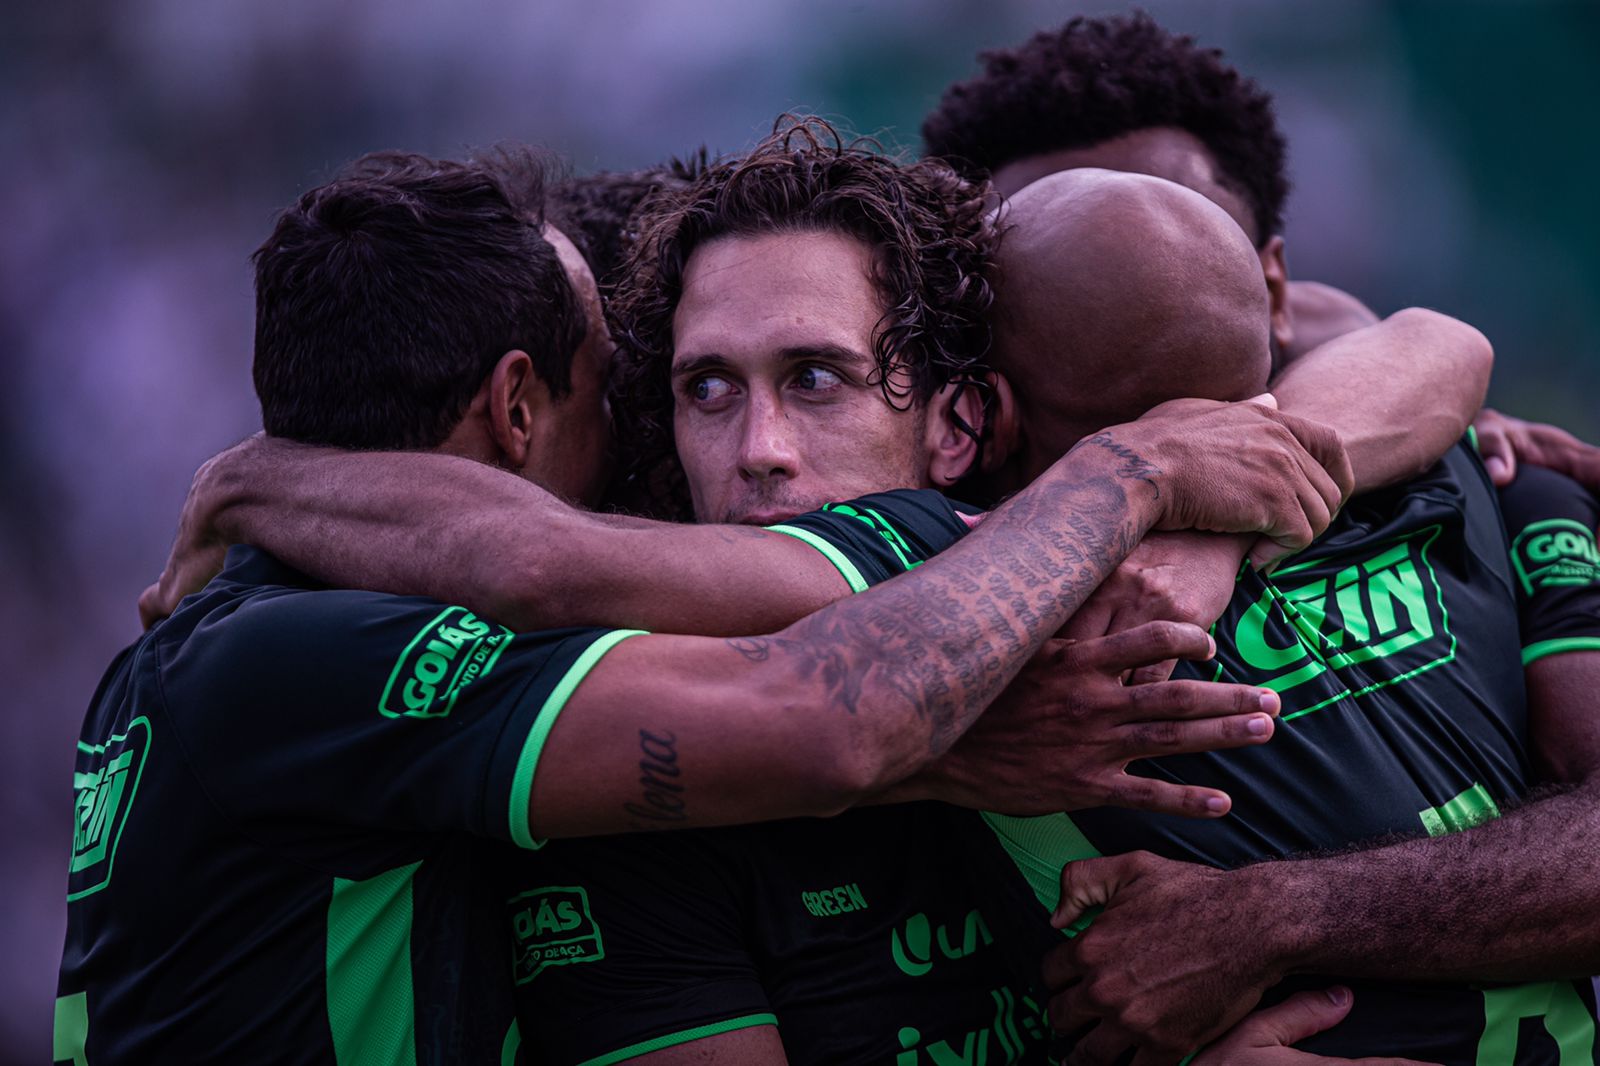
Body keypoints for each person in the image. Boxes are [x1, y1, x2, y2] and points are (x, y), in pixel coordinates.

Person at [136, 122, 1491, 1064]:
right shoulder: (622, 736)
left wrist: (1259, 475)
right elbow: (639, 613)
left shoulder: (992, 551)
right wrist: (1143, 476)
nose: (762, 448)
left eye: (819, 378)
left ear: (965, 426)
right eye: (702, 387)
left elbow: (1411, 336)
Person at [978, 170, 1600, 1065]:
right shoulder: (987, 583)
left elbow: (1436, 342)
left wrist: (1267, 916)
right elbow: (1438, 340)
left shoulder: (1471, 468)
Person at [920, 10, 1600, 488]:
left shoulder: (1369, 375)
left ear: (1271, 289)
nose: (1122, 275)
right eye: (1050, 245)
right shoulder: (914, 476)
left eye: (1181, 237)